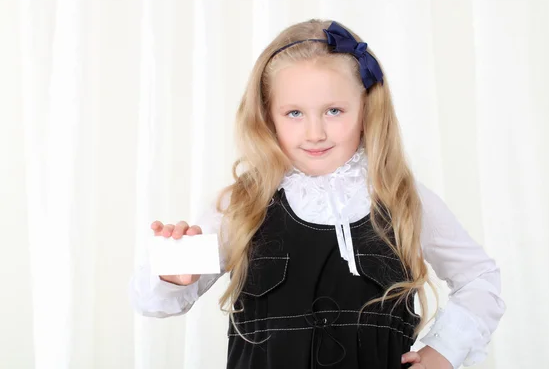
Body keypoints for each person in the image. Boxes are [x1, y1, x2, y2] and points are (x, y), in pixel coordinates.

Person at [130, 19, 505, 369]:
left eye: (334, 111)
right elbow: (154, 303)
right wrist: (171, 275)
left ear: (366, 110)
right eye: (294, 113)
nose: (315, 133)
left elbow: (479, 278)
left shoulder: (402, 198)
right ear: (267, 116)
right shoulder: (242, 204)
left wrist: (444, 350)